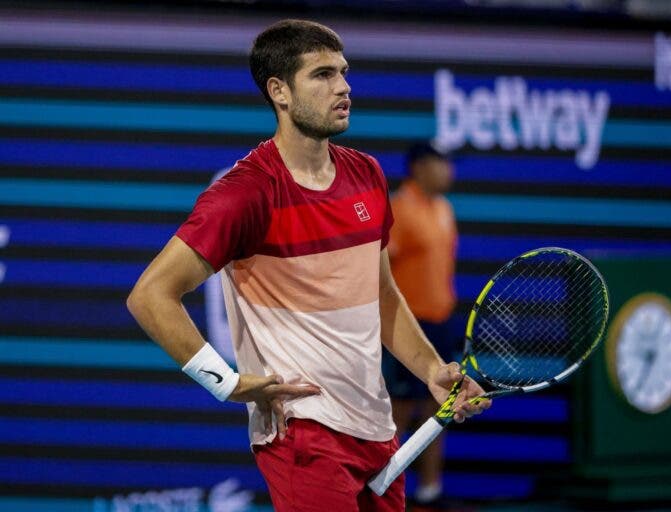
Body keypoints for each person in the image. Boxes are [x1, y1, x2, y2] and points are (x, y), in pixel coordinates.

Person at [126, 19, 489, 512]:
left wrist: (430, 369)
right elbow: (150, 294)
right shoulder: (246, 193)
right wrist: (226, 382)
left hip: (376, 429)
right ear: (279, 92)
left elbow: (381, 293)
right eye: (322, 75)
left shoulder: (366, 173)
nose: (343, 86)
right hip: (303, 436)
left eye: (343, 72)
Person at [383, 143, 459, 506]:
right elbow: (378, 272)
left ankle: (430, 493)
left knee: (438, 410)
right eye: (441, 164)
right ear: (419, 167)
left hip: (442, 323)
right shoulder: (399, 209)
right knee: (398, 414)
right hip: (406, 328)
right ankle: (383, 492)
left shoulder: (444, 209)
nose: (449, 171)